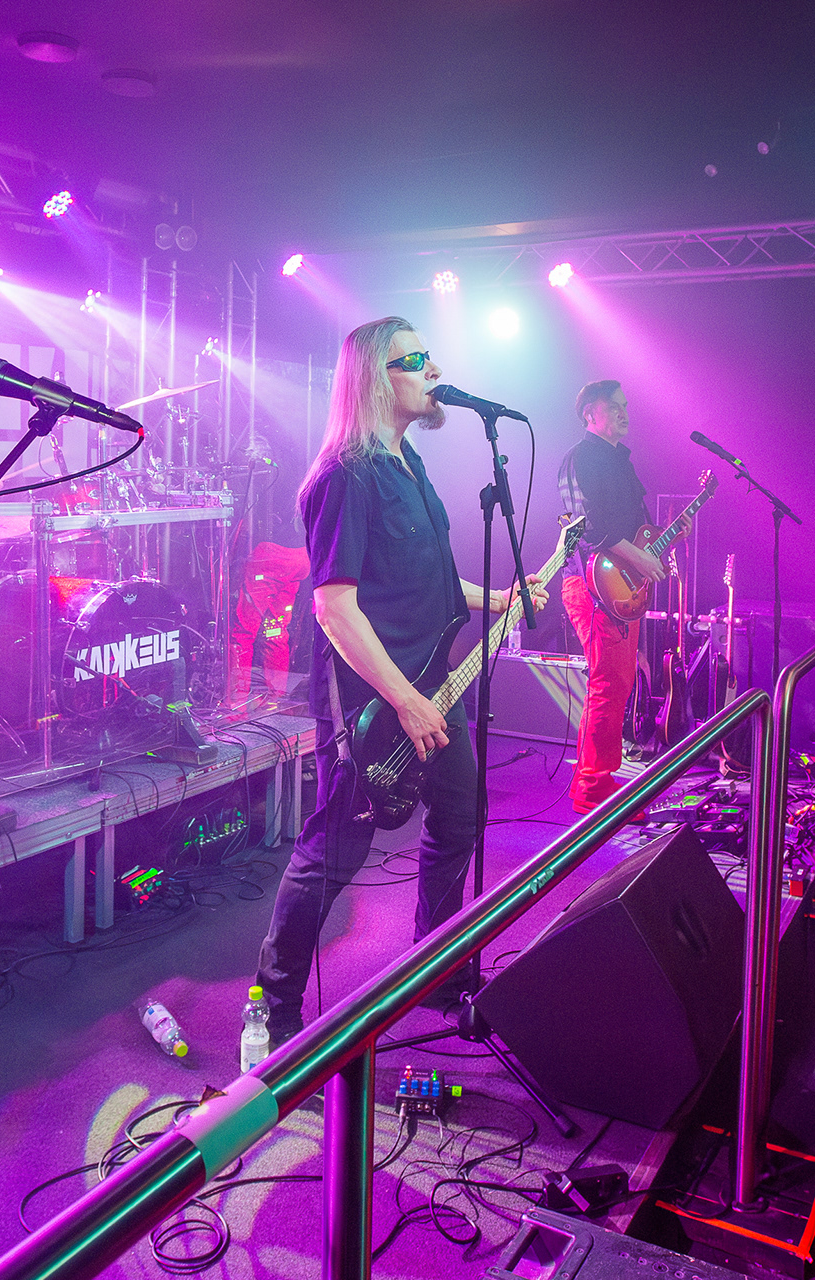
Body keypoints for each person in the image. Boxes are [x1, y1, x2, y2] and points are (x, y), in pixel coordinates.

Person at [255, 317, 546, 1046]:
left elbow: (433, 577)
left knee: (460, 816)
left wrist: (500, 597)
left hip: (431, 682)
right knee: (337, 848)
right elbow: (334, 607)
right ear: (373, 379)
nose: (434, 369)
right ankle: (273, 1006)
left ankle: (433, 970)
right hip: (371, 699)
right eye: (415, 359)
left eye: (429, 356)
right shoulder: (344, 475)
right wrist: (404, 700)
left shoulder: (409, 464)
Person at [556, 380, 666, 814]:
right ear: (590, 414)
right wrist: (639, 557)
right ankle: (592, 788)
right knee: (608, 683)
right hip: (591, 586)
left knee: (617, 684)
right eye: (614, 406)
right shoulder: (580, 459)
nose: (624, 412)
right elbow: (589, 527)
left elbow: (634, 531)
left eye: (625, 405)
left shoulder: (622, 461)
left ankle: (598, 779)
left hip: (618, 585)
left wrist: (666, 538)